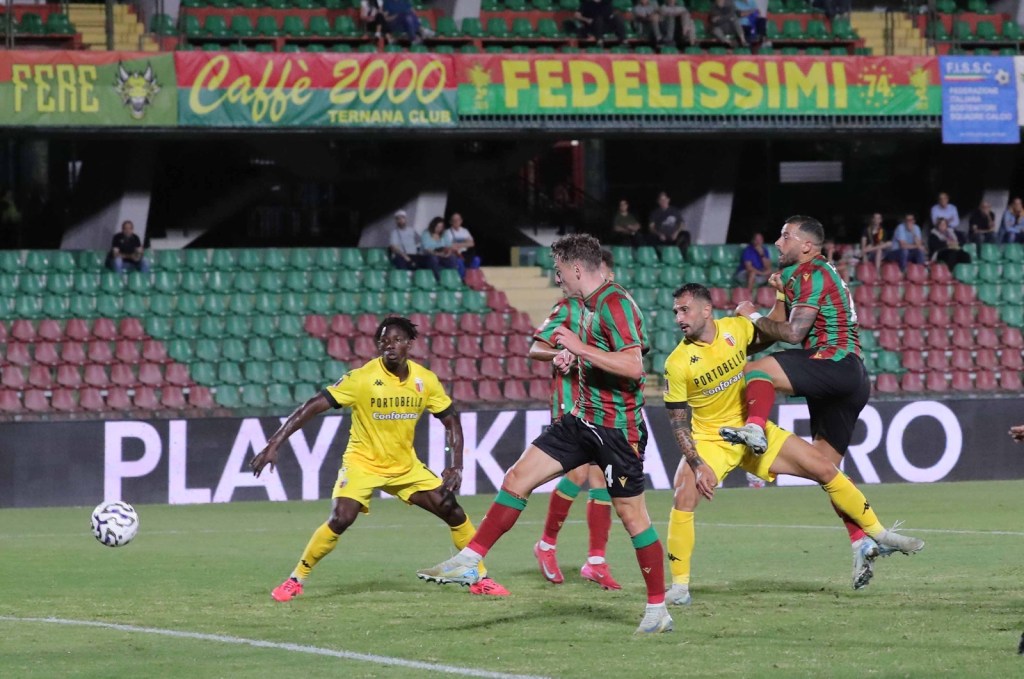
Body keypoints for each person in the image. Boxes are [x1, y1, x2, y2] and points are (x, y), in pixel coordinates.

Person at [417, 234, 673, 635]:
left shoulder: (614, 302)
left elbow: (634, 366)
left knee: (632, 516)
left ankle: (657, 610)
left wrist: (580, 348)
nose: (557, 279)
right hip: (582, 419)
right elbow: (599, 355)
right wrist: (573, 355)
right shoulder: (586, 304)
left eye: (559, 271)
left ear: (577, 269)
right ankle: (470, 559)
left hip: (617, 430)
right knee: (517, 477)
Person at [663, 283, 924, 605]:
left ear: (706, 310)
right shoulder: (677, 363)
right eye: (676, 312)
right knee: (683, 495)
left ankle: (879, 534)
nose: (679, 318)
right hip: (712, 439)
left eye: (684, 310)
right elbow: (678, 422)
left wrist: (780, 295)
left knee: (824, 468)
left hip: (754, 430)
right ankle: (679, 587)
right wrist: (697, 463)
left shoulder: (735, 329)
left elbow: (775, 330)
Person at [250, 316, 509, 602]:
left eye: (397, 340)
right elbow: (312, 406)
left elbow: (451, 421)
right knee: (341, 518)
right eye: (384, 341)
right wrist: (274, 443)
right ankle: (295, 579)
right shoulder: (361, 378)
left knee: (454, 512)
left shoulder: (425, 380)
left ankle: (478, 577)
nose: (390, 345)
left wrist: (456, 465)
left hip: (404, 467)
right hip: (363, 463)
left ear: (409, 344)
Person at [720, 216, 887, 589]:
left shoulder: (810, 272)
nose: (778, 243)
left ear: (807, 246)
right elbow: (774, 328)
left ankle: (755, 431)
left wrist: (749, 313)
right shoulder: (800, 276)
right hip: (851, 378)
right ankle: (861, 542)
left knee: (755, 373)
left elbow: (793, 334)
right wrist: (734, 344)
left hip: (834, 362)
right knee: (826, 471)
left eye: (786, 236)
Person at [531, 249, 620, 590]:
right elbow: (536, 348)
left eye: (608, 277)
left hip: (599, 404)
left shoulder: (612, 312)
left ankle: (596, 561)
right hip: (570, 403)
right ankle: (546, 545)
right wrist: (560, 353)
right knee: (579, 472)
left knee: (602, 480)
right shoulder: (569, 308)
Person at [389, 209, 441, 279]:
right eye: (398, 219)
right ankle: (405, 280)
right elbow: (394, 248)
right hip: (403, 256)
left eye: (402, 218)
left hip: (414, 256)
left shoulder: (412, 230)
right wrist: (405, 257)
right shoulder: (394, 233)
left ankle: (437, 280)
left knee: (432, 258)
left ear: (405, 219)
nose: (400, 220)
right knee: (398, 259)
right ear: (396, 221)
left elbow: (422, 242)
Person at [647, 191, 689, 256]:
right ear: (658, 202)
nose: (663, 201)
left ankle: (681, 256)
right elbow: (651, 228)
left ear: (668, 200)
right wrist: (659, 234)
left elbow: (681, 224)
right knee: (650, 238)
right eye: (661, 200)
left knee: (686, 234)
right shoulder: (655, 213)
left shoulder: (675, 211)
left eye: (665, 199)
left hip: (674, 236)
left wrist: (676, 233)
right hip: (661, 237)